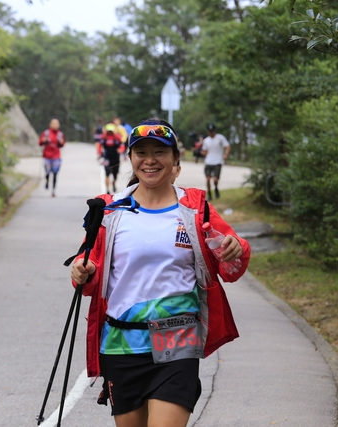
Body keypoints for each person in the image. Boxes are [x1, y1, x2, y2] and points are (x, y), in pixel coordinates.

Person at [70, 118, 251, 427]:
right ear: (130, 158)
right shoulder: (111, 211)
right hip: (121, 343)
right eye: (141, 152)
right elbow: (88, 276)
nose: (150, 160)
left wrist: (236, 248)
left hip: (176, 342)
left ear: (175, 159)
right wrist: (82, 271)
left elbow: (232, 264)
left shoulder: (195, 210)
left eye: (160, 152)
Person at [200, 123, 230, 201]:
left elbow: (227, 146)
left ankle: (216, 188)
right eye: (210, 131)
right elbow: (205, 151)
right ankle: (209, 194)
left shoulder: (220, 138)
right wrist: (200, 152)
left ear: (214, 131)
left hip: (218, 161)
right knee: (207, 179)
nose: (211, 133)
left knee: (215, 179)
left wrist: (226, 154)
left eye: (212, 131)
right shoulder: (206, 140)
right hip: (208, 161)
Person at [39, 117, 66, 197]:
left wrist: (61, 142)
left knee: (55, 172)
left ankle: (53, 190)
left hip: (56, 156)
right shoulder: (46, 133)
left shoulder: (60, 134)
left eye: (56, 124)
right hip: (47, 156)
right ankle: (47, 180)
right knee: (47, 171)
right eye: (53, 123)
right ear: (50, 124)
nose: (55, 125)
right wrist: (43, 141)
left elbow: (62, 144)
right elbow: (40, 143)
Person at [99, 123, 123, 194]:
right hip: (107, 159)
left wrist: (120, 150)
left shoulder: (117, 137)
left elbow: (122, 145)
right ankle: (107, 190)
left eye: (111, 131)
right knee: (107, 174)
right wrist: (100, 153)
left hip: (116, 158)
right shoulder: (104, 137)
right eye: (108, 131)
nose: (110, 132)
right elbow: (100, 145)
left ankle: (114, 183)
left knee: (115, 175)